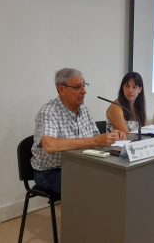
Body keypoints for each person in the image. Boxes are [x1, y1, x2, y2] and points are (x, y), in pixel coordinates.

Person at [31, 68, 125, 197]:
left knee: (114, 177)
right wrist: (95, 141)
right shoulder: (48, 112)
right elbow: (50, 145)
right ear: (61, 89)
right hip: (51, 172)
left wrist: (111, 136)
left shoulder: (83, 109)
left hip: (80, 165)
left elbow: (96, 138)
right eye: (77, 87)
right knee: (91, 186)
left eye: (84, 85)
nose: (84, 91)